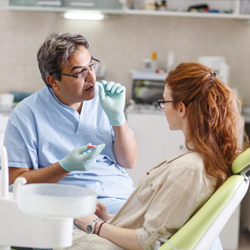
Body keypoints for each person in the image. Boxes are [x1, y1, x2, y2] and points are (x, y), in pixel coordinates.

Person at [54, 62, 248, 250]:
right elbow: (158, 221)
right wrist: (108, 218)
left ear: (181, 109)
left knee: (65, 239)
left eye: (164, 101)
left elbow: (146, 240)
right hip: (128, 233)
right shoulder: (197, 157)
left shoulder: (190, 169)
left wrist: (95, 225)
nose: (162, 108)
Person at [1, 32, 138, 215]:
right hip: (69, 207)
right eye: (80, 72)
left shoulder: (104, 99)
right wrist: (64, 166)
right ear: (53, 81)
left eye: (91, 66)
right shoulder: (27, 114)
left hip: (121, 199)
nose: (91, 77)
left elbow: (129, 161)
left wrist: (118, 119)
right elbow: (15, 182)